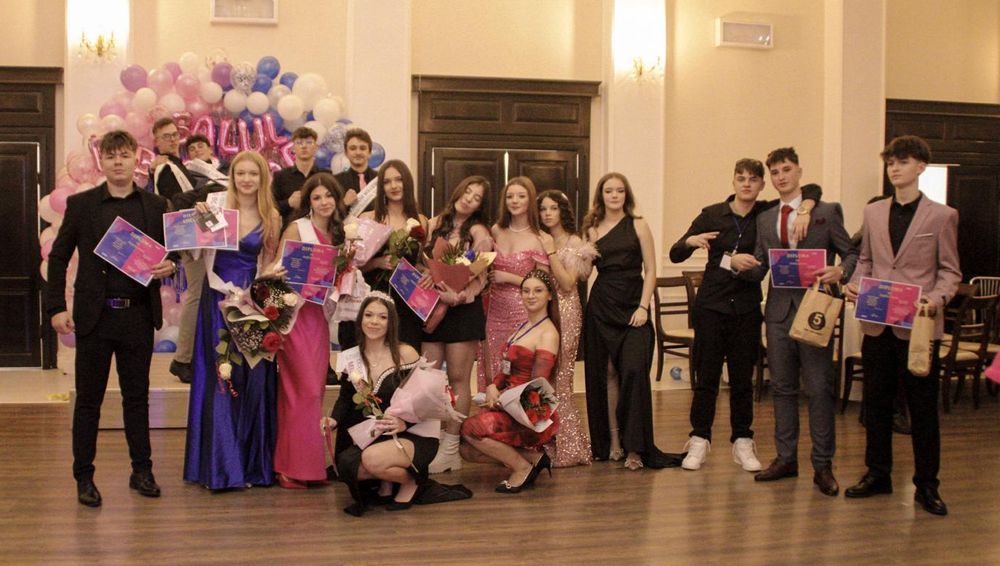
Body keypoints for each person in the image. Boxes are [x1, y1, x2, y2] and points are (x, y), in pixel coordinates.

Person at [46, 130, 177, 507]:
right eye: (111, 156)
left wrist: (172, 264)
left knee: (137, 399)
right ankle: (84, 477)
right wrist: (56, 307)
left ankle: (142, 471)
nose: (118, 162)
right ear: (101, 161)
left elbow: (174, 254)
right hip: (95, 318)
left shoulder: (156, 204)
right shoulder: (82, 204)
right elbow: (58, 257)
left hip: (138, 316)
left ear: (136, 159)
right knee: (89, 401)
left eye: (124, 155)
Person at [668, 159, 821, 472]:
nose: (747, 184)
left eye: (753, 179)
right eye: (741, 179)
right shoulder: (712, 214)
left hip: (747, 307)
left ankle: (742, 440)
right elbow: (675, 253)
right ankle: (699, 439)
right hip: (711, 306)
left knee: (742, 379)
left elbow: (813, 189)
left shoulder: (767, 212)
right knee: (707, 377)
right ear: (734, 182)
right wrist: (690, 242)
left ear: (762, 184)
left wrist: (806, 207)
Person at [844, 135, 960, 516]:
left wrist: (935, 299)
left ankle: (927, 485)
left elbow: (950, 272)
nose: (894, 168)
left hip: (918, 328)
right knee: (876, 405)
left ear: (921, 167)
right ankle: (878, 474)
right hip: (877, 323)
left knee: (922, 409)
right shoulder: (873, 212)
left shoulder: (942, 215)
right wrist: (857, 283)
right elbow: (866, 259)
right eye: (891, 162)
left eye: (903, 161)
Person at [739, 147, 856, 497]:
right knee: (782, 388)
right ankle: (786, 459)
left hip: (816, 309)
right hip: (778, 312)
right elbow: (762, 264)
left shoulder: (826, 212)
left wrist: (840, 271)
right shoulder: (765, 218)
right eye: (775, 172)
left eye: (786, 170)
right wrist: (743, 266)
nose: (781, 177)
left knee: (818, 389)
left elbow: (851, 251)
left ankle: (823, 465)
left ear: (799, 171)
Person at [183, 151, 284, 490]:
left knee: (252, 378)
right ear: (232, 177)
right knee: (221, 377)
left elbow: (268, 264)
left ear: (262, 178)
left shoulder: (272, 216)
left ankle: (251, 465)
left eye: (253, 173)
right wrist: (196, 225)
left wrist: (263, 286)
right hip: (216, 302)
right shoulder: (215, 209)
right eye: (240, 173)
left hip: (251, 304)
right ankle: (221, 467)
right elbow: (194, 253)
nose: (246, 179)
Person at [583, 172, 681, 470]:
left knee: (635, 371)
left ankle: (636, 447)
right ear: (601, 195)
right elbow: (585, 273)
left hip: (633, 306)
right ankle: (614, 443)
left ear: (626, 195)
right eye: (609, 191)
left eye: (619, 190)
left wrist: (643, 306)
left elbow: (650, 270)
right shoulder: (591, 230)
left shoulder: (638, 224)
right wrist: (576, 254)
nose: (614, 195)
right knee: (608, 374)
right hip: (602, 306)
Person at [274, 173, 346, 488]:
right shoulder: (297, 228)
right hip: (296, 317)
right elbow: (276, 269)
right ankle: (288, 467)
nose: (324, 202)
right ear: (308, 202)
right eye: (317, 197)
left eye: (328, 195)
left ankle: (310, 467)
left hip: (319, 319)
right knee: (301, 391)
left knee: (314, 392)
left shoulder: (341, 233)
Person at [329, 293, 430, 516]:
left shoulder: (405, 353)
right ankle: (387, 481)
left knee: (370, 460)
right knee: (347, 466)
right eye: (369, 315)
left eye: (382, 317)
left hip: (411, 432)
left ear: (391, 322)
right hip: (376, 432)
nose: (374, 321)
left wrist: (404, 422)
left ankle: (411, 482)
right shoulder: (352, 357)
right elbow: (346, 397)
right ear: (360, 319)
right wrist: (333, 419)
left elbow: (427, 398)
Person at [461, 269, 559, 493]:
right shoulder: (523, 327)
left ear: (549, 295)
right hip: (509, 402)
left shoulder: (548, 333)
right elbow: (506, 369)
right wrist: (493, 386)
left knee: (470, 429)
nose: (530, 296)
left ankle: (521, 468)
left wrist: (502, 397)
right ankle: (534, 459)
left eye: (538, 291)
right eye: (526, 291)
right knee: (466, 450)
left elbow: (538, 385)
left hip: (529, 409)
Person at [422, 176, 494, 474]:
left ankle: (451, 448)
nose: (469, 199)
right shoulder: (435, 223)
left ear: (480, 206)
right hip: (432, 307)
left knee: (458, 378)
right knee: (428, 376)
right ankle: (430, 441)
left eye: (477, 197)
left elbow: (481, 275)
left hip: (463, 310)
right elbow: (423, 259)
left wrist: (459, 296)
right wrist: (426, 274)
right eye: (467, 192)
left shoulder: (479, 233)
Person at [476, 177, 551, 393]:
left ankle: (520, 411)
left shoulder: (539, 237)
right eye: (510, 196)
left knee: (519, 369)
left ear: (530, 200)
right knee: (494, 367)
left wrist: (508, 277)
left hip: (523, 311)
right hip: (494, 310)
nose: (515, 201)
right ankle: (492, 411)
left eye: (521, 196)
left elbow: (543, 282)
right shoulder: (496, 231)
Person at [537, 189, 594, 467]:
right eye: (543, 209)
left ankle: (570, 447)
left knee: (561, 377)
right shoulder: (537, 238)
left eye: (553, 208)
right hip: (540, 312)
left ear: (563, 211)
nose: (547, 213)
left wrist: (550, 251)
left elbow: (569, 283)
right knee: (542, 377)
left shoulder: (574, 242)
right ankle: (544, 443)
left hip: (567, 311)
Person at [169, 134, 228, 384]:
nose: (195, 151)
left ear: (210, 148)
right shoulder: (182, 173)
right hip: (195, 240)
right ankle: (183, 358)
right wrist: (206, 193)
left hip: (225, 239)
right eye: (191, 148)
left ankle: (214, 357)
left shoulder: (225, 170)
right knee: (196, 294)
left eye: (200, 146)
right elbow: (175, 201)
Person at [351, 160, 428, 350]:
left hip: (407, 301)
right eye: (387, 182)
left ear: (407, 182)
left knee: (406, 355)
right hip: (373, 299)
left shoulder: (421, 221)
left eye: (398, 179)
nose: (393, 186)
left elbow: (419, 262)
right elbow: (352, 267)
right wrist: (377, 263)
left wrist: (427, 273)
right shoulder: (368, 218)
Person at [272, 127, 330, 224]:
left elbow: (334, 204)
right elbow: (271, 207)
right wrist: (288, 203)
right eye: (299, 143)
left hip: (320, 229)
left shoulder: (326, 175)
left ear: (316, 147)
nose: (304, 146)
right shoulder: (280, 176)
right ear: (293, 148)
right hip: (290, 229)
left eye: (309, 142)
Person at [149, 117, 196, 207]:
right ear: (156, 142)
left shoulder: (177, 164)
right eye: (166, 136)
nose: (173, 139)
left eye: (175, 134)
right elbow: (177, 203)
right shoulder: (165, 168)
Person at [333, 127, 377, 209]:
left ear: (370, 153)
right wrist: (344, 203)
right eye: (353, 148)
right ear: (346, 153)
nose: (358, 152)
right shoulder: (335, 182)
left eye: (363, 148)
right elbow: (331, 214)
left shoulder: (380, 179)